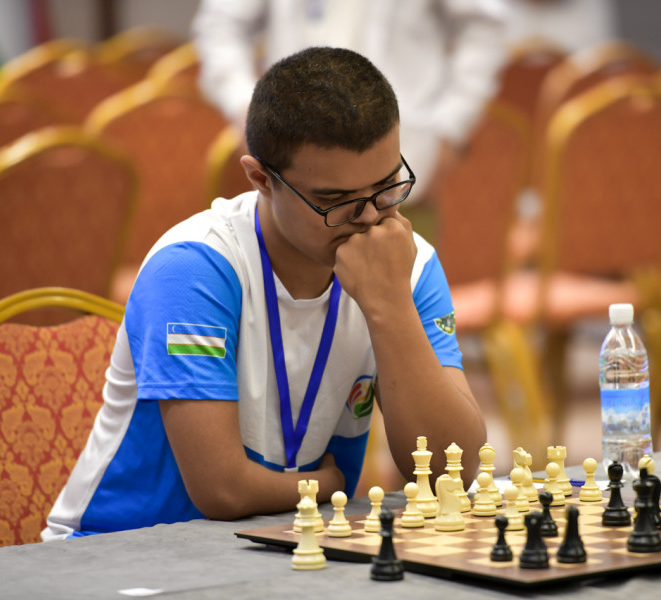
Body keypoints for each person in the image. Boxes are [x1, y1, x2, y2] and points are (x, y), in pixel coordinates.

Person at [42, 47, 486, 540]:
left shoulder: (409, 266)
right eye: (333, 200)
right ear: (260, 179)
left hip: (290, 542)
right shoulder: (193, 268)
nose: (368, 219)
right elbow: (223, 492)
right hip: (119, 548)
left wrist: (390, 306)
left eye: (386, 187)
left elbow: (453, 473)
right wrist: (330, 485)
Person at [191, 0, 508, 204]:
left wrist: (451, 126)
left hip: (405, 156)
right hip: (292, 164)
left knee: (403, 279)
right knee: (291, 285)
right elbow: (220, 24)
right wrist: (246, 109)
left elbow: (484, 27)